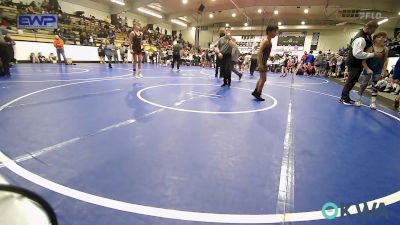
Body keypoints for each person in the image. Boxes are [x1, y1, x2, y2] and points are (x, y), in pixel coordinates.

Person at [340, 21, 382, 105]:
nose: (373, 32)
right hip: (354, 62)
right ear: (367, 28)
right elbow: (357, 54)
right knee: (351, 80)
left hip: (356, 62)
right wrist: (373, 54)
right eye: (373, 30)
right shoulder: (361, 38)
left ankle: (346, 97)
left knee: (353, 80)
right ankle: (344, 98)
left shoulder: (366, 35)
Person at [356, 32, 389, 109]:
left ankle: (373, 102)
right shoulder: (370, 48)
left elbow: (385, 60)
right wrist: (367, 68)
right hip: (368, 68)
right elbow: (363, 60)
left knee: (375, 85)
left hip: (378, 70)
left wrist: (384, 70)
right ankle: (358, 99)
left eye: (383, 37)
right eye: (379, 37)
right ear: (374, 39)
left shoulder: (386, 49)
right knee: (363, 84)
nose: (382, 38)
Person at [252, 25, 279, 101]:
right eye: (274, 31)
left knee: (261, 78)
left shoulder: (269, 40)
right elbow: (259, 52)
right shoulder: (266, 41)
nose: (275, 33)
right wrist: (260, 64)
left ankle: (255, 91)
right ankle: (258, 94)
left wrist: (269, 56)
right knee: (264, 79)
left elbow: (264, 52)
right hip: (262, 62)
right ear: (269, 32)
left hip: (263, 61)